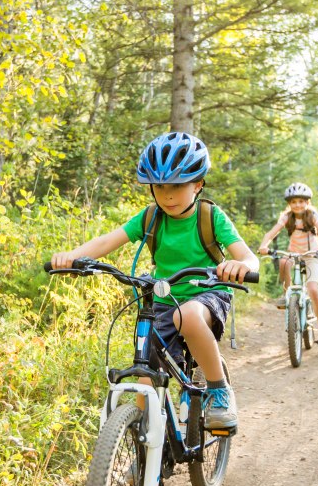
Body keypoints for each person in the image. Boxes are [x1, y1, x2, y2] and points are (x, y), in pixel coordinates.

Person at [50, 131, 259, 429]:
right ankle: (143, 453)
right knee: (145, 378)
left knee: (186, 315)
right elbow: (107, 241)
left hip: (207, 295)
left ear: (198, 184)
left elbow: (249, 258)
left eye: (177, 185)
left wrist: (239, 265)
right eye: (159, 186)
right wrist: (71, 256)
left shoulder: (210, 216)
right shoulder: (151, 218)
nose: (167, 195)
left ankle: (218, 389)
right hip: (163, 300)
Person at [257, 182, 318, 346]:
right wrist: (264, 245)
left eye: (301, 201)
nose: (297, 205)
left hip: (312, 254)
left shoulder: (312, 215)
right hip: (294, 253)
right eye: (293, 202)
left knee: (312, 289)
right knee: (283, 261)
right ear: (289, 204)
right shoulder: (287, 217)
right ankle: (287, 294)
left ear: (307, 202)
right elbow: (272, 232)